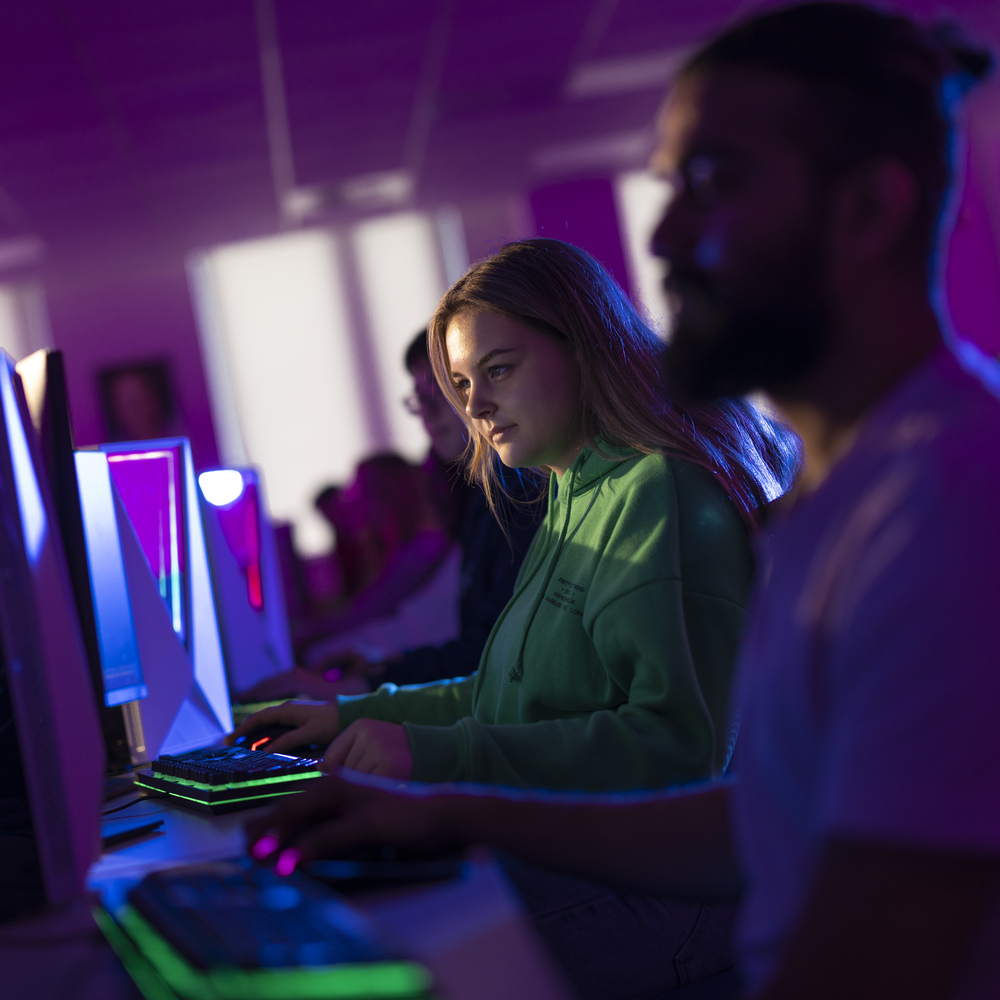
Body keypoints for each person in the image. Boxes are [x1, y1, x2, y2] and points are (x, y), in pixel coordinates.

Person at [246, 5, 1000, 1000]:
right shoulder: (835, 493)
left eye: (713, 183)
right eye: (668, 188)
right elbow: (760, 814)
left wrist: (439, 773)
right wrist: (447, 810)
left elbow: (873, 948)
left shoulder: (945, 505)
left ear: (868, 210)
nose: (665, 232)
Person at [231, 237, 796, 798]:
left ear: (584, 346)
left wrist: (437, 752)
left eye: (497, 371)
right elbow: (509, 696)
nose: (474, 407)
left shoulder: (657, 491)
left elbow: (681, 749)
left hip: (644, 871)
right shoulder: (567, 490)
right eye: (462, 385)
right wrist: (350, 715)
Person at [247, 329, 540, 701]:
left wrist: (366, 680)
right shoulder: (481, 503)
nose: (429, 414)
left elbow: (486, 650)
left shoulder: (517, 501)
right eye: (420, 399)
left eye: (442, 392)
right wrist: (375, 670)